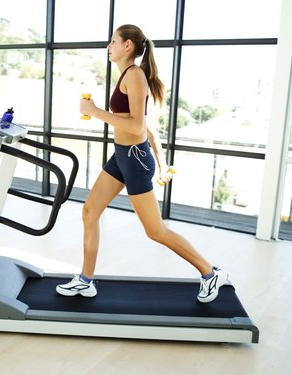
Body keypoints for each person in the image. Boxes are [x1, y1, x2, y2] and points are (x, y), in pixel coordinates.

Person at [56, 24, 228, 303]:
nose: (108, 46)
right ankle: (85, 281)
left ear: (128, 46)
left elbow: (136, 127)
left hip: (134, 159)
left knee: (155, 231)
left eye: (112, 41)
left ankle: (211, 273)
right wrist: (161, 162)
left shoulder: (134, 76)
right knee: (89, 211)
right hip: (122, 156)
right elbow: (148, 127)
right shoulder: (127, 75)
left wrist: (95, 112)